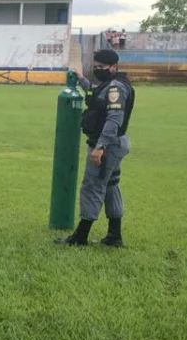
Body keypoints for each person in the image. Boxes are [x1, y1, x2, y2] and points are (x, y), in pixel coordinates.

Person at [58, 49, 135, 247]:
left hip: (108, 144)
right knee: (110, 186)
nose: (99, 70)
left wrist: (100, 147)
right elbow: (95, 93)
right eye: (97, 66)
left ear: (114, 67)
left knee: (93, 186)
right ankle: (114, 236)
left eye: (102, 67)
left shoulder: (116, 89)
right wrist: (82, 80)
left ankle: (80, 236)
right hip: (114, 143)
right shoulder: (109, 86)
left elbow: (113, 119)